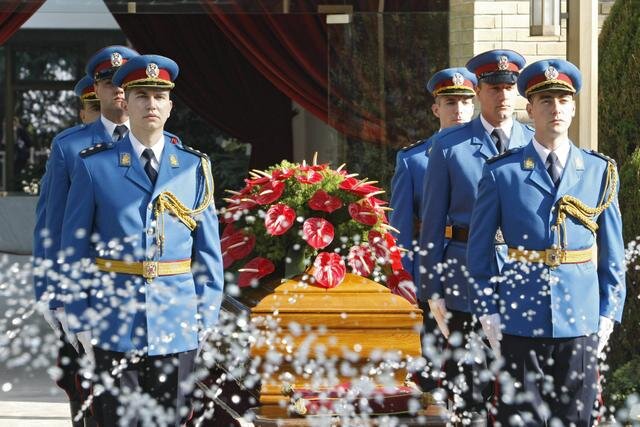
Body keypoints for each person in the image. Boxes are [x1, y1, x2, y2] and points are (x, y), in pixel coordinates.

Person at [59, 54, 224, 426]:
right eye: (142, 96)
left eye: (159, 97)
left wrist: (206, 316)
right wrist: (79, 319)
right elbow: (74, 250)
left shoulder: (194, 168)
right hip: (113, 321)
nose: (151, 104)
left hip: (177, 320)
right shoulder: (94, 165)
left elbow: (209, 253)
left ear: (170, 107)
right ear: (126, 103)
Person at [467, 59, 626, 426]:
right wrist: (488, 311)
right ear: (530, 108)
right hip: (520, 317)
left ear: (573, 108)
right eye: (546, 100)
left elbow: (614, 255)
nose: (556, 108)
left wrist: (608, 312)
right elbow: (479, 252)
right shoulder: (502, 172)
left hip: (580, 316)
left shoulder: (599, 171)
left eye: (563, 100)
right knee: (521, 418)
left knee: (576, 417)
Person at [418, 49, 534, 421]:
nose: (503, 96)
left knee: (522, 384)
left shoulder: (534, 141)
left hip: (520, 273)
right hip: (463, 273)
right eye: (494, 88)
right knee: (468, 385)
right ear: (479, 92)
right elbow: (432, 222)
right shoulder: (449, 146)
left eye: (509, 88)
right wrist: (432, 288)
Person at [32, 46, 138, 426]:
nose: (118, 90)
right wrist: (51, 291)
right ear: (96, 87)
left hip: (145, 291)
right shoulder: (70, 146)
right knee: (90, 395)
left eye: (125, 82)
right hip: (88, 291)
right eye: (109, 82)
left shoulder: (164, 144)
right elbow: (51, 224)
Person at [388, 67, 476, 391]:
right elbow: (400, 230)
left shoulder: (492, 154)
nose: (459, 110)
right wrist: (408, 282)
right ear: (436, 108)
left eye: (465, 102)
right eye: (450, 102)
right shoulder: (414, 160)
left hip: (477, 272)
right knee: (434, 372)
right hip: (433, 277)